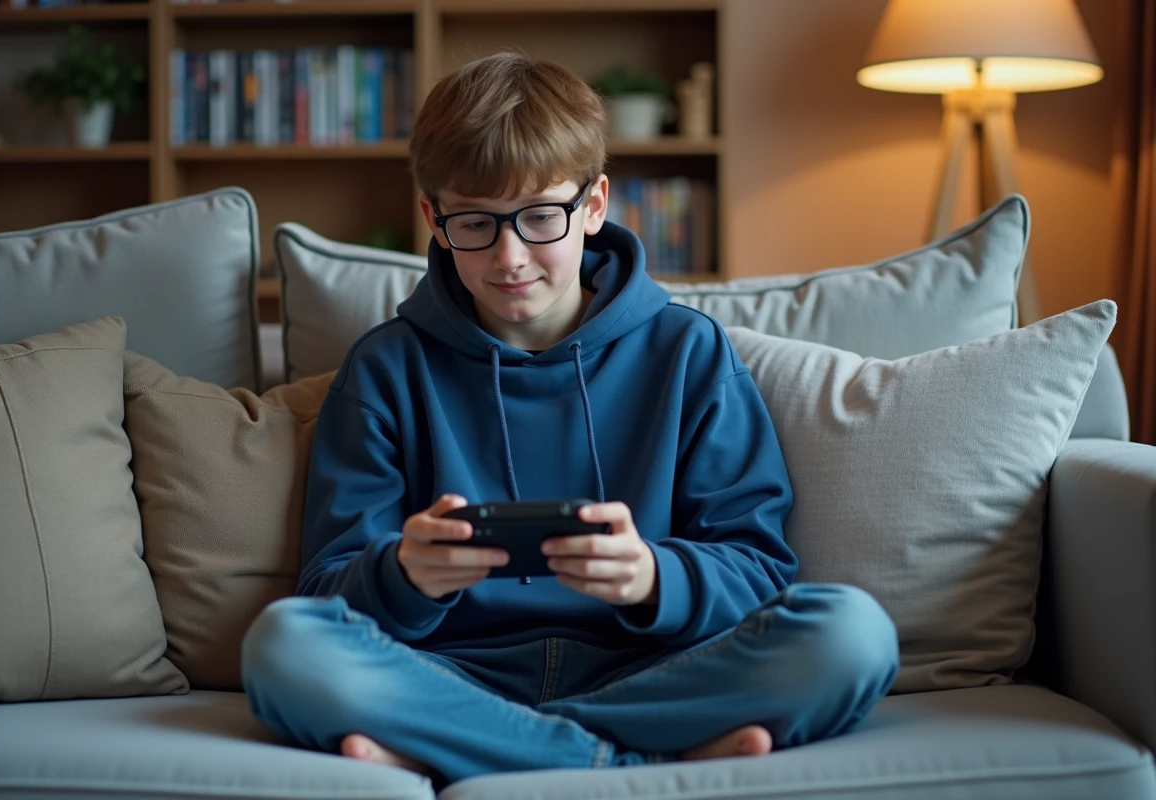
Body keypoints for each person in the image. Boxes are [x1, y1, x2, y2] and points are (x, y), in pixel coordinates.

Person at [241, 51, 899, 785]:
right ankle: (627, 761)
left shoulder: (688, 352)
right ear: (433, 218)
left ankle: (474, 750)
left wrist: (654, 577)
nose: (509, 256)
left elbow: (759, 570)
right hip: (452, 675)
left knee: (852, 635)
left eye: (539, 217)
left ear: (593, 205)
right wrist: (403, 575)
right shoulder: (385, 367)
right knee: (284, 646)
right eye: (475, 222)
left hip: (650, 670)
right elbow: (325, 589)